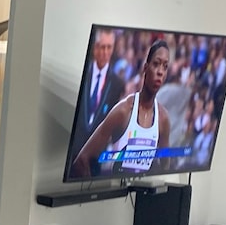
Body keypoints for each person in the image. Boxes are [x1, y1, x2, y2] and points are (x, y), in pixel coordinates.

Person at [70, 39, 171, 178]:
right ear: (145, 68)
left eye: (165, 67)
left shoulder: (163, 119)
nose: (160, 72)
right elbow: (82, 159)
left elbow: (166, 167)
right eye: (156, 64)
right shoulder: (123, 111)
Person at [71, 28, 124, 156]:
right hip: (72, 150)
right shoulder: (79, 73)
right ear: (95, 48)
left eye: (109, 47)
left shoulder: (117, 84)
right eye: (102, 47)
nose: (105, 52)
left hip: (95, 156)